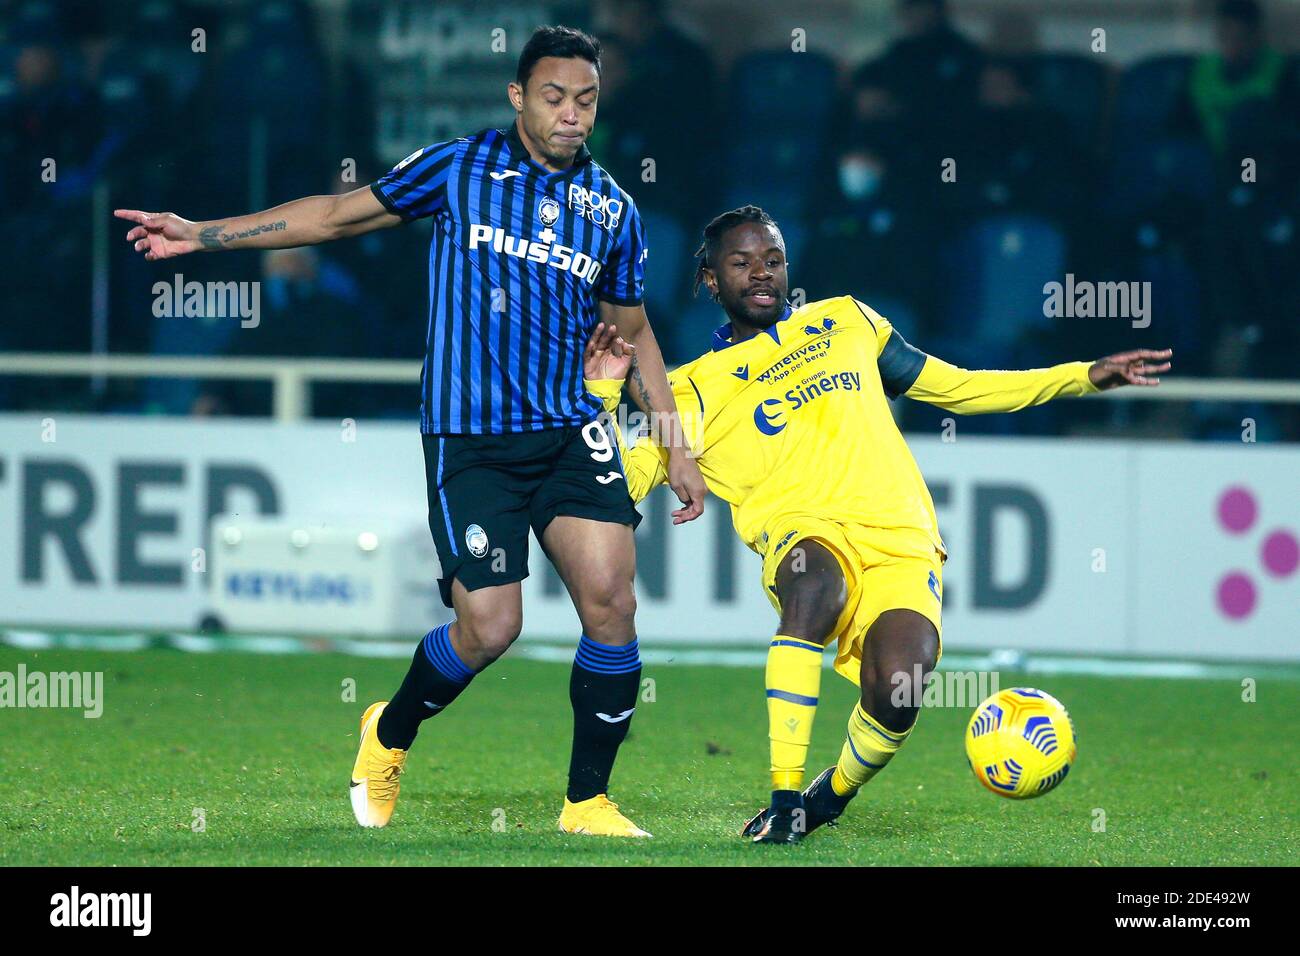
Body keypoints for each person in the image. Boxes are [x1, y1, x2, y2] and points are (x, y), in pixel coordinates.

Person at [116, 26, 707, 838]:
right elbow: (330, 217)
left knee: (612, 602)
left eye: (586, 100)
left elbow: (632, 331)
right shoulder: (458, 168)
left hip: (573, 429)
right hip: (471, 441)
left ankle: (587, 802)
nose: (572, 115)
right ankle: (388, 732)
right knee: (492, 626)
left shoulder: (612, 208)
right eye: (554, 97)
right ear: (517, 97)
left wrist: (674, 440)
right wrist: (202, 233)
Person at [582, 206, 1170, 843]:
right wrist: (604, 394)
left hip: (901, 538)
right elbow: (610, 478)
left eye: (773, 260)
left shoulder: (847, 321)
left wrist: (1082, 377)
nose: (761, 274)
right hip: (803, 536)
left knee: (901, 688)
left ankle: (824, 797)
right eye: (741, 262)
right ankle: (783, 799)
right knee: (814, 586)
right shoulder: (688, 392)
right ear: (708, 281)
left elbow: (958, 387)